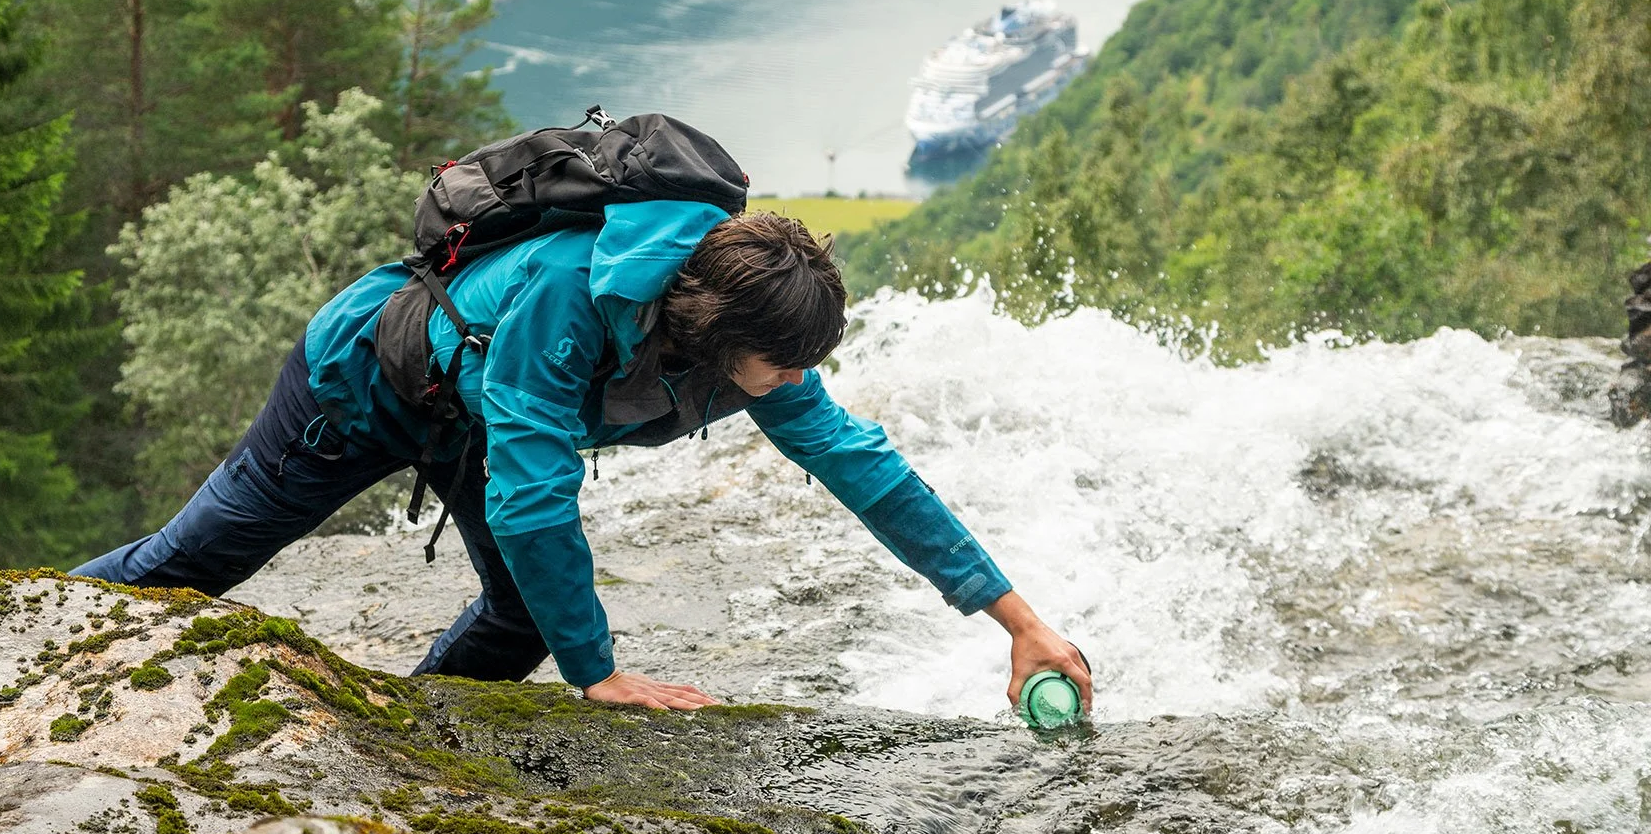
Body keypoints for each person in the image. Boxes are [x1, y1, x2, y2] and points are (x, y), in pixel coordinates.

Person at [74, 203, 1093, 714]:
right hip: (358, 385)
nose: (792, 382)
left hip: (473, 413)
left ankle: (401, 738)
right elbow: (530, 499)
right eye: (781, 365)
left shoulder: (745, 353)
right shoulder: (571, 295)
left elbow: (865, 468)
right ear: (718, 330)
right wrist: (597, 670)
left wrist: (1018, 619)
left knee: (520, 615)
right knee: (191, 562)